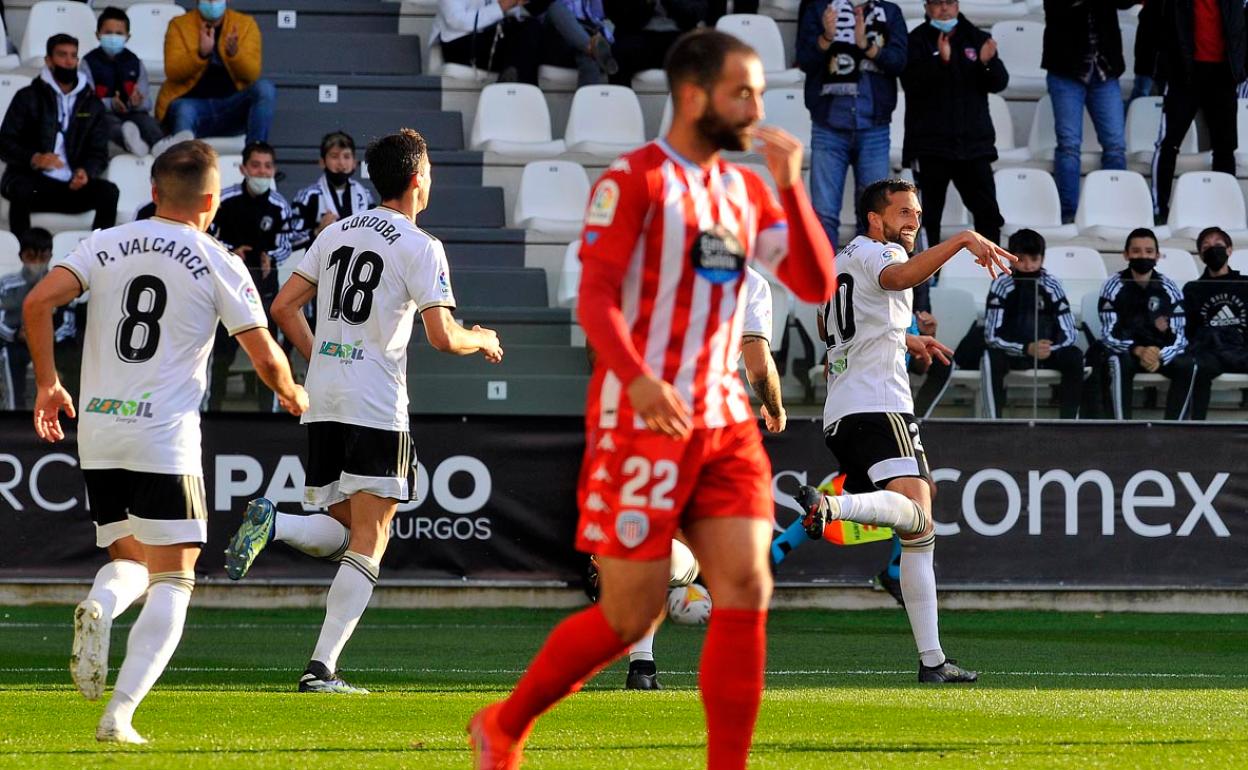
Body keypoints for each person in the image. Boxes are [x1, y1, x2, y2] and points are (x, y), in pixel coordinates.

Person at [468, 29, 837, 770]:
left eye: (761, 93)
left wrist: (794, 188)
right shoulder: (634, 179)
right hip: (641, 419)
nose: (757, 106)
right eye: (744, 92)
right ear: (695, 95)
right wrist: (637, 376)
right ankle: (504, 725)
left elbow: (815, 283)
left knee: (746, 584)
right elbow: (597, 297)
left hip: (724, 421)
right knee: (627, 614)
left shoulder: (745, 190)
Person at [21, 139, 307, 743]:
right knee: (176, 578)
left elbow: (38, 301)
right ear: (212, 200)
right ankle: (118, 715)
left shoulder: (104, 243)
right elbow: (263, 354)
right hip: (164, 436)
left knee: (127, 559)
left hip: (98, 430)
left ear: (152, 191)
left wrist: (48, 384)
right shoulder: (217, 259)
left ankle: (102, 604)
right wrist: (293, 393)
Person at [222, 129, 504, 694]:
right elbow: (443, 336)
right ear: (418, 177)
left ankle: (276, 522)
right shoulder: (421, 245)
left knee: (346, 526)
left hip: (325, 396)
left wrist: (322, 354)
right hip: (375, 403)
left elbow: (282, 305)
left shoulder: (336, 232)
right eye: (429, 167)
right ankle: (321, 668)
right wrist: (481, 337)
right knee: (373, 536)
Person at [797, 177, 1013, 684]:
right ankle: (833, 507)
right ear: (875, 218)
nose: (912, 220)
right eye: (902, 212)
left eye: (916, 212)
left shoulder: (839, 261)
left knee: (919, 526)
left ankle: (933, 662)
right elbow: (894, 279)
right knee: (918, 517)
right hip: (881, 404)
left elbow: (828, 325)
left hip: (843, 410)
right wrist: (961, 239)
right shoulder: (879, 252)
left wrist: (905, 339)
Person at [624, 266, 788, 692]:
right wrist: (773, 405)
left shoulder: (659, 267)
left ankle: (642, 664)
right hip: (713, 427)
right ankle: (733, 672)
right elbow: (756, 362)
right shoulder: (750, 282)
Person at [797, 0, 908, 249]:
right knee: (823, 213)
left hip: (874, 128)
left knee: (875, 215)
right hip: (828, 125)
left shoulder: (890, 12)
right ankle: (824, 284)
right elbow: (804, 60)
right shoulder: (819, 9)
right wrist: (826, 37)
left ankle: (866, 282)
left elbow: (900, 62)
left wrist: (867, 46)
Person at [902, 0, 1007, 248]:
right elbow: (911, 84)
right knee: (927, 218)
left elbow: (999, 82)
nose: (944, 9)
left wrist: (986, 63)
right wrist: (941, 62)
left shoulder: (978, 38)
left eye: (949, 2)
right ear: (927, 7)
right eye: (937, 4)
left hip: (973, 146)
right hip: (930, 147)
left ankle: (991, 274)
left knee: (988, 213)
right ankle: (926, 280)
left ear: (957, 5)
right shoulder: (916, 41)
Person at [0, 34, 119, 237]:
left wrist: (86, 172)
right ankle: (25, 256)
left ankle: (99, 256)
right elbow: (5, 143)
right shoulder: (27, 97)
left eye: (73, 56)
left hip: (72, 184)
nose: (68, 61)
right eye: (62, 55)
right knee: (21, 189)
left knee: (109, 191)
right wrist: (34, 158)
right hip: (34, 182)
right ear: (48, 60)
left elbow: (99, 152)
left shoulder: (93, 104)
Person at [207, 141, 292, 411]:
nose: (262, 172)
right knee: (221, 358)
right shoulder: (225, 199)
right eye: (256, 165)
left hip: (266, 294)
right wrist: (231, 252)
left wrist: (271, 255)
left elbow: (287, 243)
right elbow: (206, 237)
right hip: (228, 295)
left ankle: (269, 413)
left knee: (269, 356)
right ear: (243, 168)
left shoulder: (280, 205)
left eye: (268, 166)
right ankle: (214, 409)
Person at [1150, 0, 1246, 220]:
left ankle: (1224, 213)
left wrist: (1239, 68)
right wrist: (1160, 69)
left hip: (1223, 74)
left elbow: (1240, 29)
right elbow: (1156, 24)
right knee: (1169, 144)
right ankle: (1159, 210)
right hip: (1184, 73)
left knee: (1225, 148)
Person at [1041, 0, 1133, 222]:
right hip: (1065, 69)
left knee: (1115, 146)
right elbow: (1058, 7)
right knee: (1069, 146)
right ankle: (1069, 214)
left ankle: (1112, 212)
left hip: (1104, 68)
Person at [1096, 228, 1196, 419]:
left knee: (1188, 364)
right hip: (1128, 353)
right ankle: (1120, 427)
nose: (1143, 256)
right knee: (1117, 361)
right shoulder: (1112, 285)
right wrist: (1138, 350)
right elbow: (1108, 334)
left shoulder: (1169, 287)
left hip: (1159, 353)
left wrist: (1159, 353)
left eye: (1149, 252)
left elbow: (1180, 336)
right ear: (1126, 255)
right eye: (1136, 251)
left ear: (1157, 256)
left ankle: (1176, 429)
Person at [982, 228, 1083, 418]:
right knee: (990, 357)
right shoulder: (1000, 284)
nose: (1028, 266)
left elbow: (1070, 332)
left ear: (1042, 259)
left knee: (1075, 356)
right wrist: (1025, 348)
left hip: (1048, 350)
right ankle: (993, 422)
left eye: (1034, 259)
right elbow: (991, 335)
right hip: (1013, 351)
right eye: (1021, 259)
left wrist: (1049, 349)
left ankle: (1069, 425)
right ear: (1010, 258)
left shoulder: (1052, 284)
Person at [156, 0, 274, 145]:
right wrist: (201, 54)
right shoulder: (179, 25)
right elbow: (173, 71)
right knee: (185, 109)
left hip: (231, 108)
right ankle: (183, 162)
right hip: (192, 106)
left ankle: (256, 154)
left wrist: (234, 55)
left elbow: (252, 74)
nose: (212, 3)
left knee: (265, 88)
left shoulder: (245, 25)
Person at [0, 228, 75, 409]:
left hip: (52, 344)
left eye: (43, 257)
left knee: (69, 353)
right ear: (21, 257)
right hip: (15, 344)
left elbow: (69, 323)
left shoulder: (60, 283)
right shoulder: (7, 284)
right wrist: (15, 334)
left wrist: (43, 336)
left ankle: (58, 411)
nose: (37, 263)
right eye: (31, 257)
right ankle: (13, 410)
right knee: (7, 354)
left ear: (50, 256)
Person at [79, 7, 165, 157]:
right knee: (108, 123)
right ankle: (130, 141)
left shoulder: (135, 62)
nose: (113, 37)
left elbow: (147, 102)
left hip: (132, 112)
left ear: (128, 36)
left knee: (146, 121)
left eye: (119, 33)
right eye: (108, 32)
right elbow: (86, 101)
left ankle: (161, 145)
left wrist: (136, 103)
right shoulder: (88, 63)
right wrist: (111, 103)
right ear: (98, 35)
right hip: (104, 114)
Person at [1184, 227, 1248, 419]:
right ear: (1201, 255)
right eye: (1206, 247)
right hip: (1210, 353)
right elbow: (1190, 330)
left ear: (1229, 250)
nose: (1213, 249)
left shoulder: (1245, 285)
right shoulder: (1193, 289)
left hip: (1242, 349)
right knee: (1197, 369)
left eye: (1218, 245)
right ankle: (1194, 429)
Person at [291, 131, 376, 251]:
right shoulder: (308, 197)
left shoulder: (364, 195)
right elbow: (289, 239)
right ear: (322, 162)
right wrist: (316, 231)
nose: (341, 163)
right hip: (319, 265)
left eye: (346, 156)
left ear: (354, 163)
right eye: (334, 156)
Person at [432, 0, 543, 85]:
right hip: (459, 43)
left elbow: (506, 15)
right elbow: (456, 20)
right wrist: (501, 7)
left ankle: (512, 86)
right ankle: (514, 92)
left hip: (492, 38)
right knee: (525, 44)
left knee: (530, 29)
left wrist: (513, 5)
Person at [604, 0, 706, 86]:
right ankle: (620, 107)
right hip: (637, 36)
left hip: (679, 38)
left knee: (699, 54)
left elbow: (696, 12)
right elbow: (614, 12)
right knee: (617, 55)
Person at [542, 0, 619, 86]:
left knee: (589, 58)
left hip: (584, 33)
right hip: (556, 33)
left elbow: (597, 16)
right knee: (556, 7)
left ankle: (588, 99)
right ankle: (594, 48)